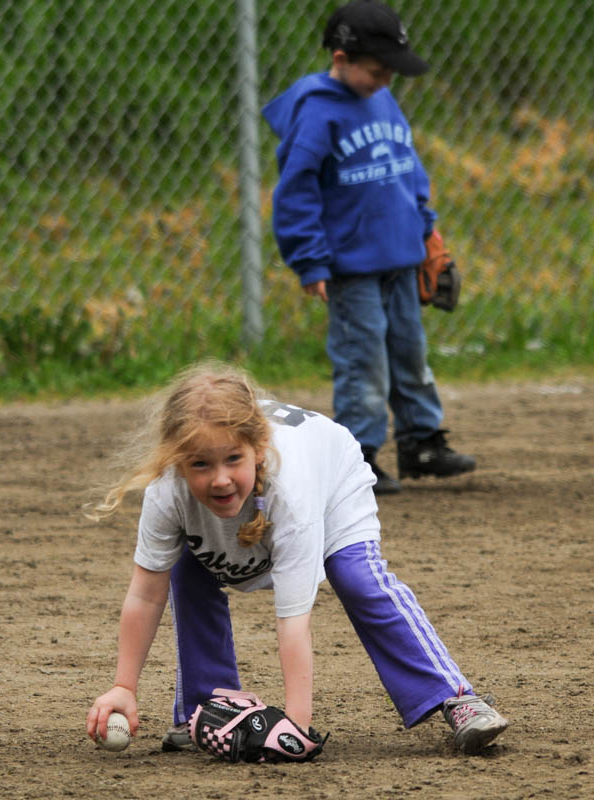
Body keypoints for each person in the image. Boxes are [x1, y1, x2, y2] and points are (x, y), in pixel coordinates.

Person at [86, 362, 508, 757]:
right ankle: (207, 707)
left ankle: (455, 696)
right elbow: (144, 596)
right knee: (185, 565)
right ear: (176, 461)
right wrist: (124, 685)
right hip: (253, 502)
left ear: (258, 449)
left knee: (356, 577)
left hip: (331, 478)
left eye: (233, 458)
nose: (219, 478)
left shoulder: (292, 496)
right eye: (199, 464)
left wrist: (295, 726)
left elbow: (293, 621)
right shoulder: (167, 491)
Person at [262, 0, 476, 494]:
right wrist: (309, 258)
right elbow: (295, 191)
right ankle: (357, 457)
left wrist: (426, 231)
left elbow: (407, 167)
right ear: (341, 58)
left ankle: (421, 441)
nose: (385, 80)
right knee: (364, 360)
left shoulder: (381, 98)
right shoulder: (316, 111)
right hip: (351, 265)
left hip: (401, 255)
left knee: (409, 351)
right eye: (377, 70)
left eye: (391, 73)